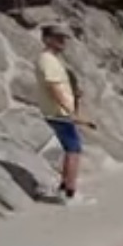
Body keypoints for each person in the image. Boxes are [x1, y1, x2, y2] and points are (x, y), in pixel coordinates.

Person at [37, 25, 90, 205]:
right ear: (47, 39)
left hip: (60, 112)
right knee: (73, 150)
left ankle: (63, 188)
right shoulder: (47, 60)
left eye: (63, 38)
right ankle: (70, 193)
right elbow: (53, 88)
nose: (62, 42)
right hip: (58, 113)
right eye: (58, 38)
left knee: (72, 149)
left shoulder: (52, 60)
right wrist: (69, 111)